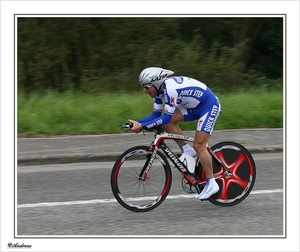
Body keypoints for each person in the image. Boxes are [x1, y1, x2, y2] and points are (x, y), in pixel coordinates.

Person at [128, 67, 221, 200]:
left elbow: (164, 117)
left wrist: (142, 126)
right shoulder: (159, 91)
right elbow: (156, 115)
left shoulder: (170, 89)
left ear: (157, 82)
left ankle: (212, 183)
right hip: (193, 107)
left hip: (209, 106)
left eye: (147, 87)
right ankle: (186, 150)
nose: (145, 90)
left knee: (199, 145)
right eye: (143, 87)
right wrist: (137, 123)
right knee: (167, 123)